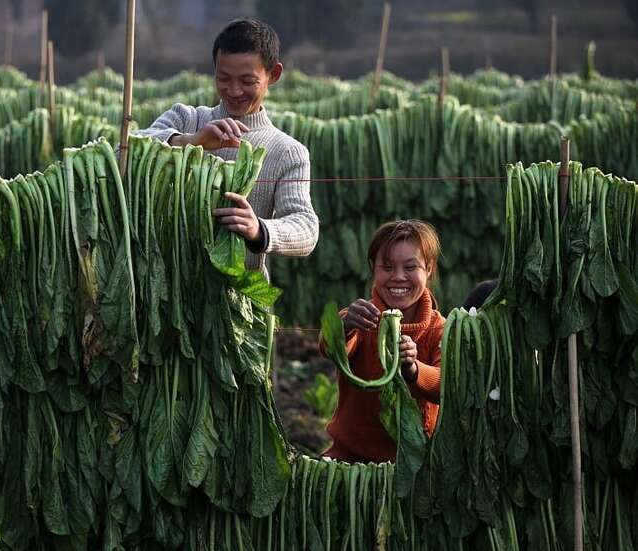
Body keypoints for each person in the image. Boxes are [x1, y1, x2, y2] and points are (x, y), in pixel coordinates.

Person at [137, 18, 319, 279]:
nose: (233, 91)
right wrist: (191, 141)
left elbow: (306, 228)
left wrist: (259, 229)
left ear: (273, 74)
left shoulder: (287, 151)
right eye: (223, 78)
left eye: (247, 81)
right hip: (167, 287)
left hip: (238, 298)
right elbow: (127, 149)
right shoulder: (186, 119)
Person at [321, 220, 445, 463]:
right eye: (387, 267)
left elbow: (446, 384)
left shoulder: (439, 330)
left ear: (429, 269)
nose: (398, 277)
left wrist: (413, 369)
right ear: (373, 268)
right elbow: (329, 346)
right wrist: (343, 326)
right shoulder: (358, 319)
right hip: (352, 459)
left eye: (411, 267)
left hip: (417, 464)